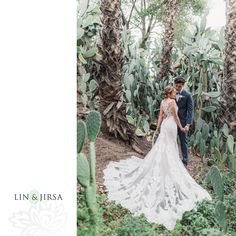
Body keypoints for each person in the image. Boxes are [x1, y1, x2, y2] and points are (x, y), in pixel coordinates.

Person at [103, 85, 211, 230]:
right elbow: (177, 118)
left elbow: (160, 116)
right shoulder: (172, 103)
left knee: (163, 148)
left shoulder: (162, 102)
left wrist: (158, 129)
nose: (175, 93)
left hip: (165, 126)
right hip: (172, 126)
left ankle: (163, 167)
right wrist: (182, 128)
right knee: (171, 148)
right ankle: (168, 169)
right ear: (170, 93)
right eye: (173, 92)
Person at [174, 76, 194, 167]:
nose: (177, 88)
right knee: (172, 141)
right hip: (172, 122)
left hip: (182, 122)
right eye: (176, 86)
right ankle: (173, 159)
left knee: (183, 141)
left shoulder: (188, 95)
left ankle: (185, 161)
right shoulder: (172, 93)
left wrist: (188, 124)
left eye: (179, 86)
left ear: (183, 85)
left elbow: (190, 111)